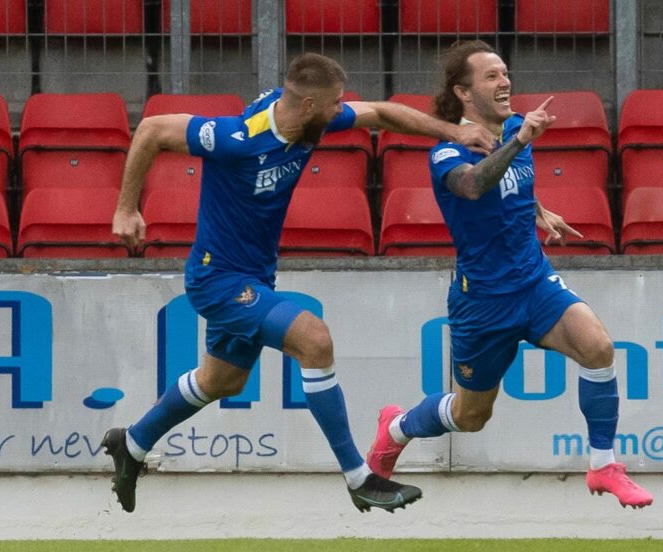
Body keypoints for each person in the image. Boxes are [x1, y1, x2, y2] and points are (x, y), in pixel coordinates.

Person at [103, 52, 495, 514]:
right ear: (309, 105)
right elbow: (151, 129)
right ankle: (359, 477)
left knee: (220, 381)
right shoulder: (235, 138)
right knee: (314, 339)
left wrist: (455, 132)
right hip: (217, 279)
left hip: (254, 276)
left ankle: (132, 443)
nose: (340, 113)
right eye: (333, 106)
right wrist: (126, 208)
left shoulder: (310, 120)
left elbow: (381, 112)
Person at [366, 40, 653, 509]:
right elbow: (474, 186)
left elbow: (514, 182)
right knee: (470, 414)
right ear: (462, 92)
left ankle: (604, 466)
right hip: (482, 301)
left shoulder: (516, 127)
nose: (505, 83)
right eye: (492, 77)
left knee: (599, 349)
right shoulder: (445, 153)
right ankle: (396, 428)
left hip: (534, 282)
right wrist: (519, 142)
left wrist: (538, 210)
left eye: (505, 74)